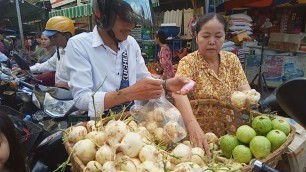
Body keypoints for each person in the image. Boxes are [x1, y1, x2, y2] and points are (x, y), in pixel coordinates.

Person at [63, 0, 199, 146]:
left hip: (134, 129)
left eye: (133, 19)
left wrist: (165, 84)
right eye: (124, 18)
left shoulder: (131, 44)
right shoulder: (79, 45)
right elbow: (82, 100)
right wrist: (128, 94)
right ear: (104, 15)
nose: (131, 25)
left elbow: (143, 78)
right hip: (101, 135)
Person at [173, 13, 251, 154]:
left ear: (224, 38)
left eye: (218, 36)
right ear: (196, 37)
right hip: (200, 136)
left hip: (231, 135)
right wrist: (193, 127)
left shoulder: (231, 60)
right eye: (206, 36)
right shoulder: (189, 63)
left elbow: (245, 90)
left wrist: (250, 98)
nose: (212, 41)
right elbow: (179, 94)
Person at [13, 16, 74, 88]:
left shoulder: (75, 51)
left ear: (67, 35)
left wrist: (69, 84)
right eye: (50, 37)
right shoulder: (60, 50)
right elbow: (49, 64)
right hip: (61, 91)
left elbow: (86, 75)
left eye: (54, 36)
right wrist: (29, 70)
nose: (52, 40)